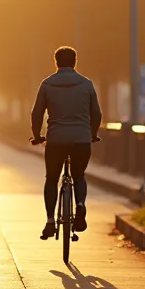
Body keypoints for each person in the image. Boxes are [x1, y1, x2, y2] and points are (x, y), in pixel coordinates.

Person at [30, 46, 102, 240]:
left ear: (56, 62)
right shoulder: (87, 84)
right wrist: (92, 133)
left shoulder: (47, 84)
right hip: (81, 139)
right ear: (75, 62)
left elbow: (36, 114)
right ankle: (79, 205)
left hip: (56, 140)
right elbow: (96, 114)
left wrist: (37, 135)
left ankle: (50, 221)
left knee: (52, 178)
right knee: (79, 175)